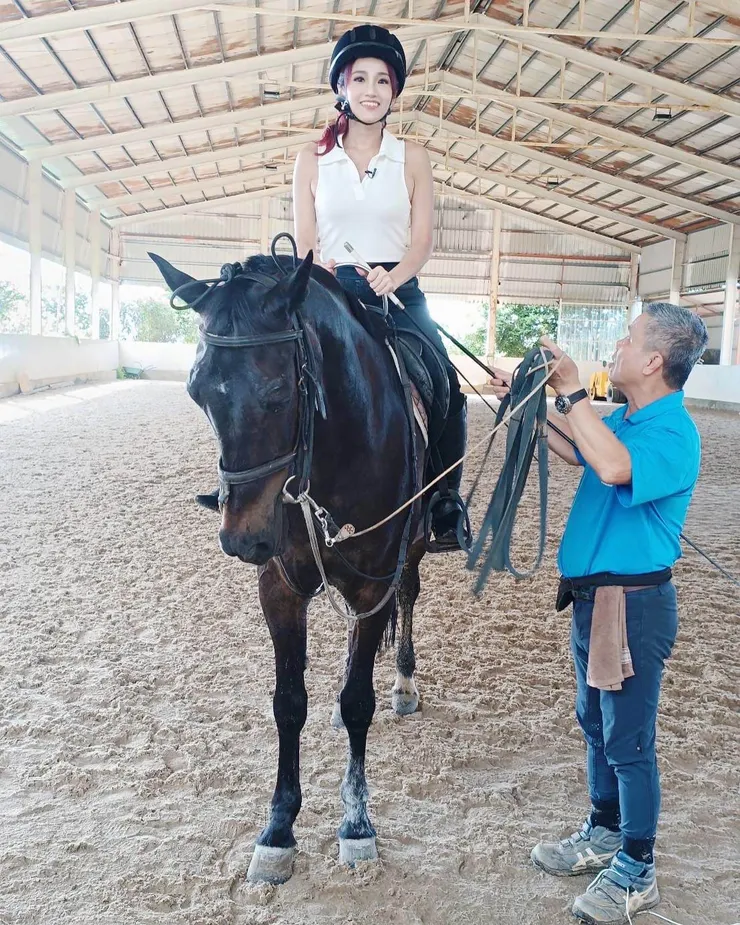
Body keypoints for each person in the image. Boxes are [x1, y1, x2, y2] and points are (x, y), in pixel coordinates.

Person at [489, 303, 708, 925]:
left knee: (628, 739)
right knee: (596, 723)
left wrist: (574, 390)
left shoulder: (673, 432)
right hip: (595, 603)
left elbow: (611, 467)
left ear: (653, 361)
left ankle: (638, 868)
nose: (618, 344)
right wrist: (528, 404)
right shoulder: (627, 419)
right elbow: (574, 449)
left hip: (631, 608)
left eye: (629, 338)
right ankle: (606, 831)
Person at [291, 24, 468, 550]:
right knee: (274, 373)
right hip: (332, 290)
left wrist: (396, 275)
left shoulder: (412, 157)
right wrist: (321, 272)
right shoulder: (312, 158)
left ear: (394, 92)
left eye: (383, 81)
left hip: (398, 289)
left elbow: (423, 241)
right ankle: (253, 485)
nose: (371, 90)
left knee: (448, 389)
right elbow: (305, 242)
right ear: (342, 87)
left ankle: (443, 502)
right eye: (361, 78)